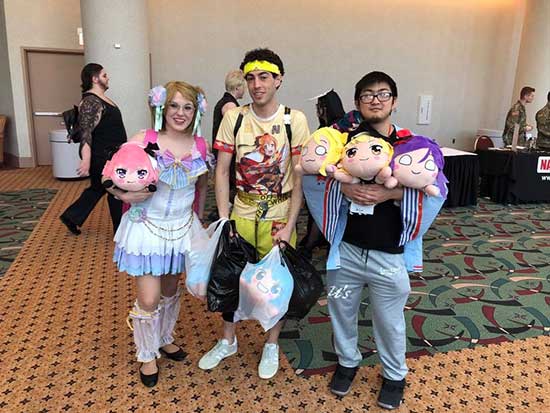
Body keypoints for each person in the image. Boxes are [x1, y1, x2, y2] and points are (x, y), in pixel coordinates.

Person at [199, 48, 310, 379]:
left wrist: (290, 224)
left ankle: (271, 344)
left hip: (279, 213)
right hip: (242, 211)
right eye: (250, 78)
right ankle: (228, 340)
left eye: (264, 77)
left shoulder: (294, 120)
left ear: (279, 80)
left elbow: (299, 177)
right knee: (231, 276)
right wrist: (224, 218)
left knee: (276, 284)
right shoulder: (235, 118)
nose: (257, 84)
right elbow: (221, 171)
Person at [107, 81, 210, 387]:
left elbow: (202, 186)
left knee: (169, 291)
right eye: (174, 105)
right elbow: (109, 174)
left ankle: (164, 338)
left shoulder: (200, 145)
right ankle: (146, 353)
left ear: (196, 111)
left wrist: (199, 221)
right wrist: (122, 194)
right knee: (149, 298)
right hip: (147, 228)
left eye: (187, 107)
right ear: (162, 108)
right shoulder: (144, 139)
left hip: (181, 228)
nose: (180, 113)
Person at [328, 71, 411, 410]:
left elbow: (434, 188)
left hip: (388, 254)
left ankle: (394, 374)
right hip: (345, 251)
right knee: (340, 309)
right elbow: (318, 178)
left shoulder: (409, 145)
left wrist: (390, 194)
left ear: (394, 101)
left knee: (389, 320)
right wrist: (343, 187)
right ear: (357, 102)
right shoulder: (341, 142)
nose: (375, 100)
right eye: (367, 94)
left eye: (383, 94)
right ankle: (347, 361)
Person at [59, 63, 127, 235]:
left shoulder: (101, 99)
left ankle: (71, 217)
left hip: (112, 154)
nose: (108, 77)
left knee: (98, 188)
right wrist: (86, 160)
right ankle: (121, 232)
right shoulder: (91, 101)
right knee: (116, 190)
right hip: (103, 156)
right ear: (95, 79)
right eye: (104, 75)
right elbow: (86, 133)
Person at [299, 89, 345, 259]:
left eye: (319, 107)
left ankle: (312, 245)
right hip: (319, 181)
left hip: (334, 181)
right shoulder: (323, 127)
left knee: (325, 212)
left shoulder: (340, 127)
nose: (317, 110)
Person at [212, 69, 246, 148]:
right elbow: (235, 132)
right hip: (226, 152)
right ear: (237, 88)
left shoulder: (224, 101)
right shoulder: (230, 105)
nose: (245, 90)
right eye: (244, 87)